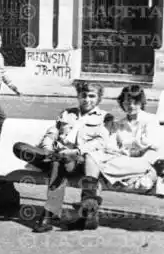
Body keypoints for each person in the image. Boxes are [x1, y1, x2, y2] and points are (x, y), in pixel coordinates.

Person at [12, 81, 109, 233]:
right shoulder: (67, 113)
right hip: (54, 156)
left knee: (59, 163)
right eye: (84, 95)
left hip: (77, 161)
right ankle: (50, 156)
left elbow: (101, 143)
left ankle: (48, 216)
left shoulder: (105, 118)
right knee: (19, 147)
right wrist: (47, 148)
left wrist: (74, 152)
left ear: (99, 98)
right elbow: (51, 133)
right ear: (78, 96)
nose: (87, 99)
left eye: (92, 96)